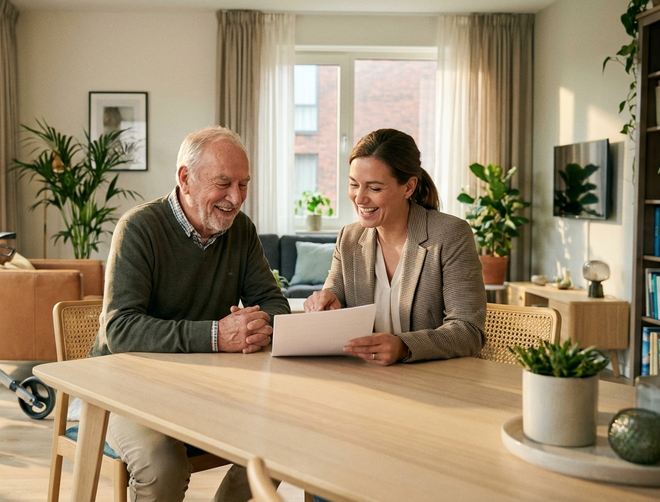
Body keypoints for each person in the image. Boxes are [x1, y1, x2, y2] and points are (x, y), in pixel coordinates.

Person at [91, 126, 290, 502]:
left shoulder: (241, 231)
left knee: (282, 440)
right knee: (163, 466)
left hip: (208, 387)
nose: (236, 198)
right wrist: (216, 335)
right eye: (224, 183)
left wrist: (256, 325)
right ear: (185, 178)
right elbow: (120, 329)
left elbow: (273, 302)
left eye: (244, 184)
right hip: (127, 388)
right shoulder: (139, 228)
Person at [302, 128, 486, 366]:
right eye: (354, 184)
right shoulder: (348, 238)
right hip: (369, 380)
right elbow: (335, 297)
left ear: (408, 187)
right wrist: (324, 304)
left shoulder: (450, 235)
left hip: (437, 382)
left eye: (375, 188)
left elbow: (469, 330)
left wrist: (404, 346)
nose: (359, 198)